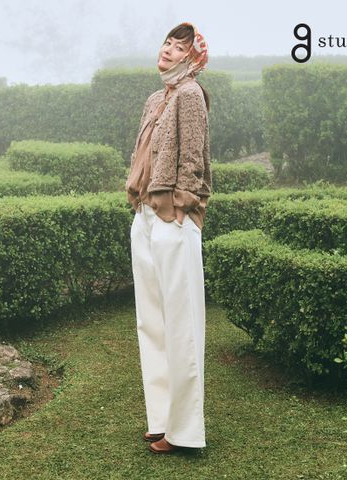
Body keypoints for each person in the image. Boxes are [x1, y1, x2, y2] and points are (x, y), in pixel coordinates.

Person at [125, 22, 211, 454]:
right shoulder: (155, 99)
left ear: (193, 59)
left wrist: (182, 207)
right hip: (144, 214)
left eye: (179, 47)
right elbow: (142, 155)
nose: (168, 50)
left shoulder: (191, 95)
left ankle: (184, 431)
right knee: (152, 323)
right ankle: (160, 419)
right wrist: (137, 200)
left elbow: (193, 156)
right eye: (166, 43)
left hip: (172, 217)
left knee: (181, 325)